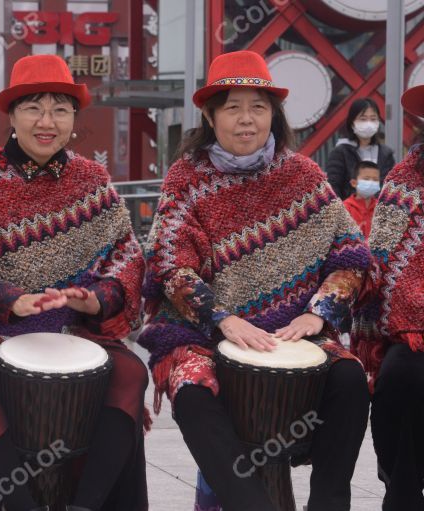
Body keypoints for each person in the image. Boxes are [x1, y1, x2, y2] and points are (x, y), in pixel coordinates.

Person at [137, 50, 371, 511]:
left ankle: (328, 503)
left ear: (274, 114)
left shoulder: (303, 175)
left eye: (258, 107)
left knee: (349, 379)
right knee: (190, 387)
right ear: (210, 114)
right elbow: (169, 264)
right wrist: (222, 319)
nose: (247, 120)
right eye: (233, 107)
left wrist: (318, 311)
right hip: (204, 334)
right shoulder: (186, 179)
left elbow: (351, 255)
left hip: (293, 332)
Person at [0, 54, 148, 511]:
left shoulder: (92, 180)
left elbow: (127, 257)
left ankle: (86, 503)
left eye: (60, 110)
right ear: (11, 115)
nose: (47, 122)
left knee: (131, 372)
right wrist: (12, 299)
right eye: (33, 108)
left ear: (73, 119)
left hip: (74, 329)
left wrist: (95, 301)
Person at [352, 84, 424, 510]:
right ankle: (402, 494)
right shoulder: (403, 183)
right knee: (401, 378)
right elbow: (381, 260)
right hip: (412, 328)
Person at [326, 97, 395, 200]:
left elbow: (391, 187)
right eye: (363, 119)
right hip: (348, 211)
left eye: (373, 119)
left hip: (380, 212)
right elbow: (333, 188)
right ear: (352, 122)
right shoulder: (341, 152)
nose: (368, 123)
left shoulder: (386, 154)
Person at [343, 160, 380, 239]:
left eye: (375, 179)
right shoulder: (345, 208)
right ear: (354, 183)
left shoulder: (381, 208)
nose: (371, 182)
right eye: (366, 179)